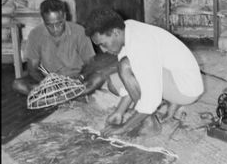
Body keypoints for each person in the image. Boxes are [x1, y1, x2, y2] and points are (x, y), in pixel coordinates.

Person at [84, 8, 204, 137]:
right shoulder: (127, 28)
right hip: (176, 76)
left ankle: (151, 124)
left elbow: (150, 98)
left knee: (125, 66)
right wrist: (119, 112)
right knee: (114, 84)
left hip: (187, 89)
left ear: (115, 32)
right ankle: (171, 101)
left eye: (103, 44)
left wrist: (124, 127)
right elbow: (131, 81)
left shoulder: (140, 44)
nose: (102, 50)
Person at [12, 0, 95, 95]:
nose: (55, 29)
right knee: (18, 84)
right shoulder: (35, 34)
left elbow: (90, 64)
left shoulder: (79, 31)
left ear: (64, 16)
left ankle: (54, 97)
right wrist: (48, 83)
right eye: (50, 25)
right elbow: (32, 68)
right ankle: (68, 95)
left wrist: (80, 78)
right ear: (43, 20)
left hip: (75, 79)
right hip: (49, 81)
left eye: (59, 23)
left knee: (99, 77)